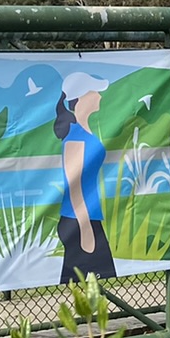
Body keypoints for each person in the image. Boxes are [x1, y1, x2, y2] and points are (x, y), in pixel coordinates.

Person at [55, 71, 117, 283]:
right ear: (81, 98)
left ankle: (88, 316)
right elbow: (75, 186)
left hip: (88, 217)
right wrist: (85, 228)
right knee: (80, 282)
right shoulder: (75, 139)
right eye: (95, 92)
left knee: (90, 281)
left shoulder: (85, 132)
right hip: (79, 220)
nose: (99, 97)